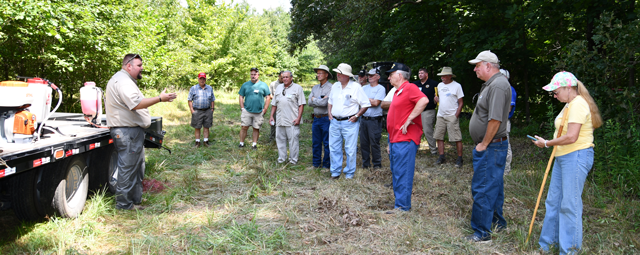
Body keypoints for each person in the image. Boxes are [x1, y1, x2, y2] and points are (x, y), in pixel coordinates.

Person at [533, 71, 602, 254]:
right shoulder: (569, 104)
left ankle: (569, 251)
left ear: (568, 88)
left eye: (556, 92)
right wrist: (548, 141)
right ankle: (547, 246)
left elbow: (571, 137)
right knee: (553, 201)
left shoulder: (578, 104)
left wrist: (547, 143)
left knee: (569, 205)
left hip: (576, 156)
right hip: (562, 157)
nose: (554, 95)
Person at [105, 53, 177, 210]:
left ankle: (134, 201)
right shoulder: (123, 81)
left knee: (137, 168)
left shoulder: (126, 80)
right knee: (127, 169)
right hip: (127, 132)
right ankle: (124, 205)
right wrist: (159, 98)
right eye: (139, 65)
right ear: (128, 66)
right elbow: (136, 104)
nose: (141, 68)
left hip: (132, 132)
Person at [466, 50, 511, 242]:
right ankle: (497, 222)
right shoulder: (491, 84)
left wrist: (484, 144)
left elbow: (495, 119)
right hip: (491, 146)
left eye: (477, 65)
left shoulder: (499, 85)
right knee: (494, 185)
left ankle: (482, 232)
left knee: (483, 187)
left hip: (491, 146)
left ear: (488, 65)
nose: (475, 69)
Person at [385, 62, 429, 212]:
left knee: (403, 173)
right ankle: (400, 202)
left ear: (399, 75)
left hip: (405, 139)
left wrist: (410, 119)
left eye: (391, 75)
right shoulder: (398, 91)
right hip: (395, 139)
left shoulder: (409, 87)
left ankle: (402, 207)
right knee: (397, 171)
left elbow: (424, 100)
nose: (389, 78)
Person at [327, 63, 371, 179]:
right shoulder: (335, 85)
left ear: (347, 75)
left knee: (350, 149)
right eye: (337, 72)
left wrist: (357, 115)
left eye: (340, 73)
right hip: (334, 122)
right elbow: (330, 101)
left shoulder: (356, 87)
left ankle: (349, 173)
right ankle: (335, 172)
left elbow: (366, 104)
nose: (338, 75)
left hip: (349, 122)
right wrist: (329, 113)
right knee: (334, 147)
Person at [270, 71, 306, 164]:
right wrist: (271, 116)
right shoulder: (278, 88)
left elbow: (301, 104)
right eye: (283, 77)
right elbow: (274, 104)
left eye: (287, 77)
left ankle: (293, 160)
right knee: (280, 140)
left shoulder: (297, 88)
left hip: (292, 120)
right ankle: (281, 159)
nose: (284, 79)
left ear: (291, 78)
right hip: (280, 119)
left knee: (293, 141)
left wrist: (298, 118)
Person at [433, 67, 465, 167]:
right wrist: (435, 99)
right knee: (439, 136)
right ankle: (441, 156)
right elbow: (437, 100)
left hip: (452, 115)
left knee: (456, 137)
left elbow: (461, 103)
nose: (442, 78)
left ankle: (460, 158)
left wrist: (456, 116)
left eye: (444, 76)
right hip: (441, 115)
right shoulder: (439, 85)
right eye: (441, 76)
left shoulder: (457, 86)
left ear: (450, 76)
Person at [360, 68, 387, 169]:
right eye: (368, 75)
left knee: (374, 143)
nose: (369, 77)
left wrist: (366, 101)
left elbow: (376, 103)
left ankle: (377, 164)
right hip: (363, 119)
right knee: (364, 143)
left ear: (378, 77)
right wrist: (370, 100)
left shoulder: (381, 88)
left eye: (372, 75)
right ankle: (365, 164)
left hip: (374, 120)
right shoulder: (364, 88)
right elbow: (359, 101)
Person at [238, 67, 271, 150]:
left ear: (258, 75)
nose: (253, 76)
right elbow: (241, 96)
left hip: (259, 111)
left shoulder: (263, 85)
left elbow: (268, 97)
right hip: (247, 110)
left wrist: (265, 109)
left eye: (255, 74)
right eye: (252, 74)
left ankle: (254, 144)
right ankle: (241, 143)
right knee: (244, 127)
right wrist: (242, 108)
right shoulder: (245, 85)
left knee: (256, 128)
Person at [308, 65, 333, 169]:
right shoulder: (315, 87)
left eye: (320, 73)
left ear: (326, 75)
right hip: (316, 118)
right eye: (317, 73)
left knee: (327, 143)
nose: (318, 75)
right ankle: (316, 164)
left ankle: (326, 165)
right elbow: (309, 102)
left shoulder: (331, 87)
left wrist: (315, 99)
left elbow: (325, 103)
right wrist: (318, 100)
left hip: (326, 118)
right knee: (316, 142)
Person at [413, 68, 439, 155]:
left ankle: (433, 150)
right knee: (415, 130)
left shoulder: (434, 84)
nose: (420, 75)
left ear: (426, 74)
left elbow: (437, 97)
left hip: (428, 110)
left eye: (422, 73)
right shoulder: (415, 84)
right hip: (416, 111)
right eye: (419, 73)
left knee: (428, 130)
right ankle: (415, 148)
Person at [188, 72, 216, 148]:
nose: (202, 80)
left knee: (207, 126)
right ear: (198, 79)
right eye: (201, 78)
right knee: (197, 127)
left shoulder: (209, 88)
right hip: (197, 111)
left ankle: (206, 141)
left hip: (207, 110)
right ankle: (197, 142)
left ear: (205, 79)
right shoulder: (193, 88)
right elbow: (189, 100)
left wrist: (212, 109)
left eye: (204, 79)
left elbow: (212, 99)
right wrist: (192, 110)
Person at [500, 69, 517, 175]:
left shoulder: (510, 90)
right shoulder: (498, 89)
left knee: (505, 144)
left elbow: (508, 108)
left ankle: (506, 168)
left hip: (503, 121)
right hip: (495, 120)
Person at [269, 71, 284, 142]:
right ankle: (272, 137)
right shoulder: (273, 84)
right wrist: (277, 98)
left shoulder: (286, 84)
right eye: (281, 77)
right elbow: (270, 95)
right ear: (279, 76)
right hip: (275, 106)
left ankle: (283, 137)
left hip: (285, 106)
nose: (283, 79)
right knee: (273, 121)